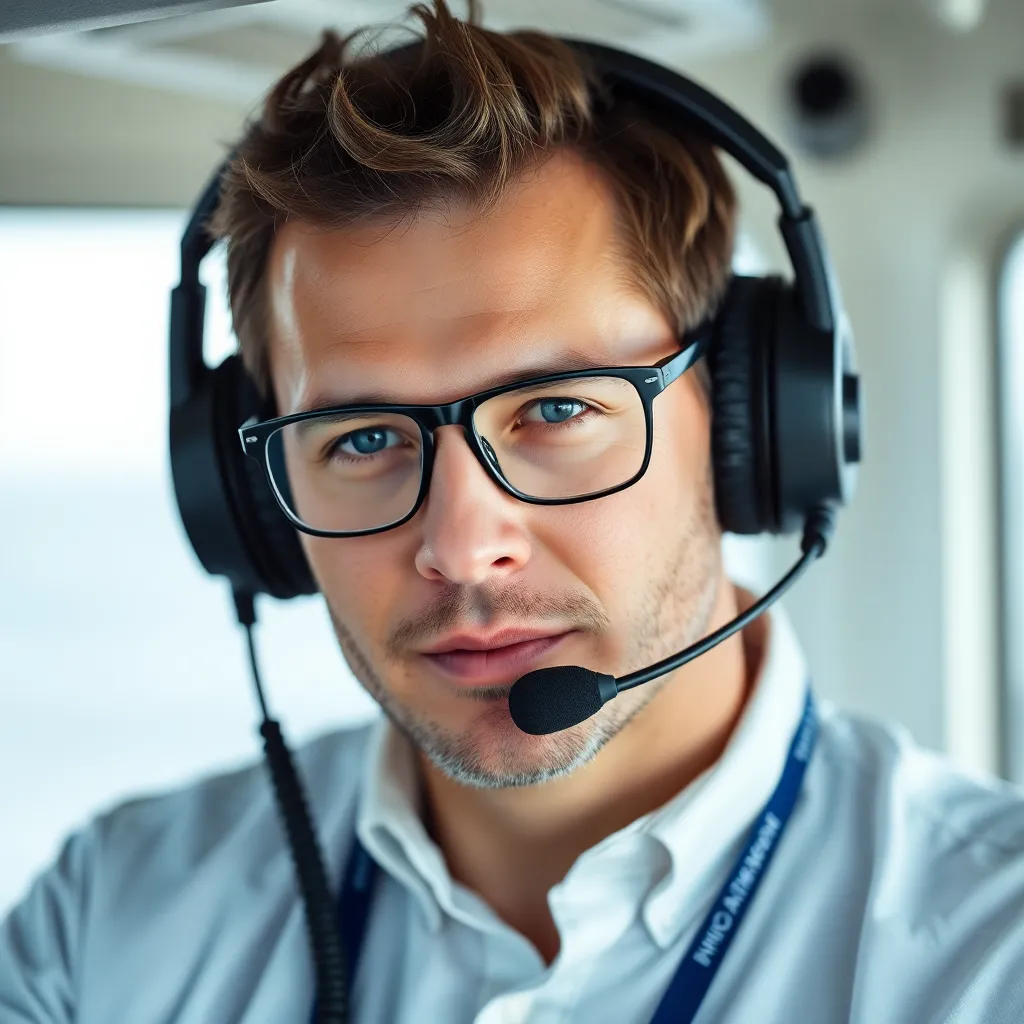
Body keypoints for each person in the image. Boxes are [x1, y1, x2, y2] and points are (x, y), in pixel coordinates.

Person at [3, 3, 1024, 1022]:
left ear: (745, 424)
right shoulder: (104, 927)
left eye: (555, 409)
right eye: (361, 438)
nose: (461, 546)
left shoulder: (989, 951)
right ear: (248, 506)